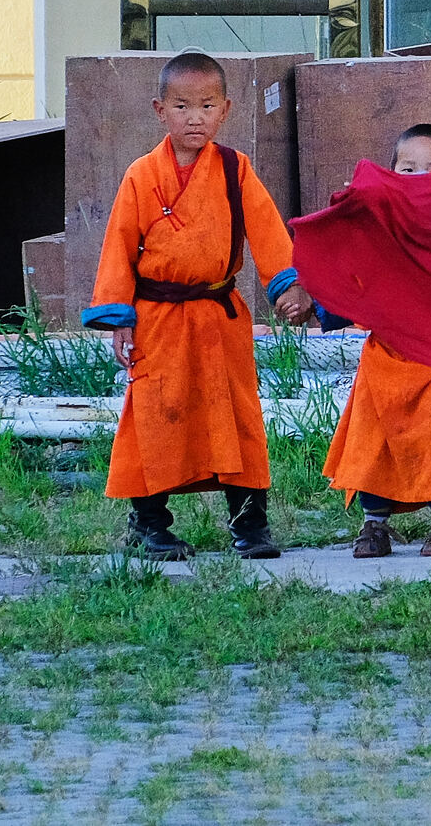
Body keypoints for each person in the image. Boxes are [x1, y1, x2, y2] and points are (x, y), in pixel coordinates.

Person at [81, 51, 314, 560]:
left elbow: (268, 230)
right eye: (182, 106)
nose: (195, 117)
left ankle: (250, 525)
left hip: (219, 316)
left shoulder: (235, 169)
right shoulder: (141, 175)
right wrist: (119, 319)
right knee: (156, 415)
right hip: (157, 318)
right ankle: (147, 524)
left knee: (237, 415)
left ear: (225, 110)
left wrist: (288, 285)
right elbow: (118, 245)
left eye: (206, 105)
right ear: (159, 110)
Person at [320, 124, 431, 558]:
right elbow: (352, 277)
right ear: (390, 171)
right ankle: (374, 525)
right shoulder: (375, 225)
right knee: (376, 445)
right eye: (407, 168)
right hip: (385, 358)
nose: (418, 177)